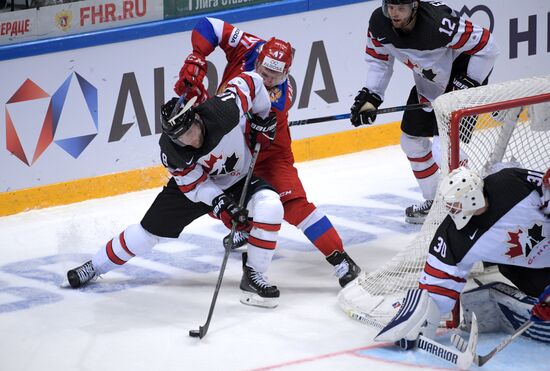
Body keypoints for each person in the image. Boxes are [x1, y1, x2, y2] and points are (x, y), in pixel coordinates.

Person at [67, 71, 286, 309]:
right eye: (180, 138)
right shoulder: (171, 151)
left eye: (189, 132)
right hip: (197, 189)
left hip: (238, 179)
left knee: (271, 205)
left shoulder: (223, 111)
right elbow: (196, 187)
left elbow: (252, 81)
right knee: (145, 235)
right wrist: (219, 201)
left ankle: (254, 275)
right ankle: (95, 266)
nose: (188, 141)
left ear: (196, 120)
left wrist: (263, 117)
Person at [173, 16, 361, 287]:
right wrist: (197, 56)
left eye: (275, 75)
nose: (266, 77)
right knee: (213, 198)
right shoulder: (249, 46)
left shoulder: (279, 98)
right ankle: (250, 227)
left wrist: (204, 102)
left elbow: (230, 120)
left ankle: (342, 261)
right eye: (264, 69)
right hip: (233, 150)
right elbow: (209, 25)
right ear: (258, 57)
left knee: (294, 206)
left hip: (269, 154)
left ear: (286, 75)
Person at [350, 0, 499, 224]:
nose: (394, 13)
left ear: (415, 6)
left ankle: (476, 204)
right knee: (410, 141)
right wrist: (372, 95)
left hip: (461, 76)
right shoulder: (379, 23)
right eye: (390, 6)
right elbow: (379, 60)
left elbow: (488, 44)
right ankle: (434, 202)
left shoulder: (439, 24)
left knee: (444, 149)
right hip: (429, 80)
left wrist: (471, 82)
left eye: (400, 8)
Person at [375, 166, 550, 347]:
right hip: (530, 270)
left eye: (456, 204)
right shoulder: (453, 235)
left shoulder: (511, 183)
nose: (452, 210)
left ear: (472, 196)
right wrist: (415, 326)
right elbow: (436, 289)